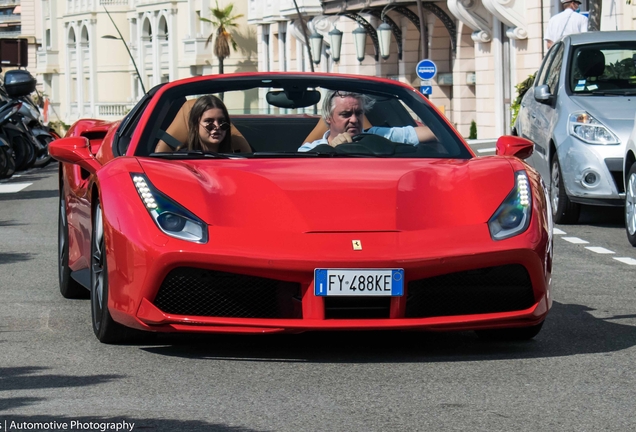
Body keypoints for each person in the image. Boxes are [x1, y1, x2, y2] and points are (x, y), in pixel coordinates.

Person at [298, 90, 435, 152]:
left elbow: (431, 133)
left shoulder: (377, 135)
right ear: (328, 117)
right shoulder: (308, 150)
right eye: (345, 114)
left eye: (358, 113)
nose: (354, 120)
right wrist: (330, 149)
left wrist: (448, 134)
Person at [154, 95, 251, 153]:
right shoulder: (180, 160)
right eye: (209, 121)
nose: (217, 126)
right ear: (196, 125)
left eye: (222, 121)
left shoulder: (238, 159)